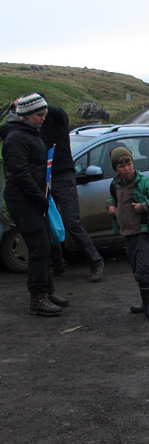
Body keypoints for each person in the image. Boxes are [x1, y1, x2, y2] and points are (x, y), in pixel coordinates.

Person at [0, 93, 67, 316]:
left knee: (45, 245)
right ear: (26, 115)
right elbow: (20, 174)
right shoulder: (16, 138)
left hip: (36, 198)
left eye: (44, 115)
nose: (42, 119)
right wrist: (40, 197)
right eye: (39, 115)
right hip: (23, 201)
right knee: (38, 248)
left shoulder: (29, 133)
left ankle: (47, 291)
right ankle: (37, 298)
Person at [40, 104, 104, 281]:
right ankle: (57, 264)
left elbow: (59, 112)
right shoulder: (35, 127)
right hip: (45, 179)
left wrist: (40, 105)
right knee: (49, 223)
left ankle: (96, 262)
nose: (39, 116)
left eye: (40, 112)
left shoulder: (58, 120)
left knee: (71, 222)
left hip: (63, 176)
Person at [106, 147, 149, 321]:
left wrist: (144, 206)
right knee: (137, 268)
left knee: (142, 267)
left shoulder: (143, 182)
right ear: (116, 168)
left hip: (145, 230)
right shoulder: (115, 184)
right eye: (121, 166)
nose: (126, 169)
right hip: (128, 231)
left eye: (129, 164)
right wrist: (110, 206)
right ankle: (148, 302)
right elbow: (112, 197)